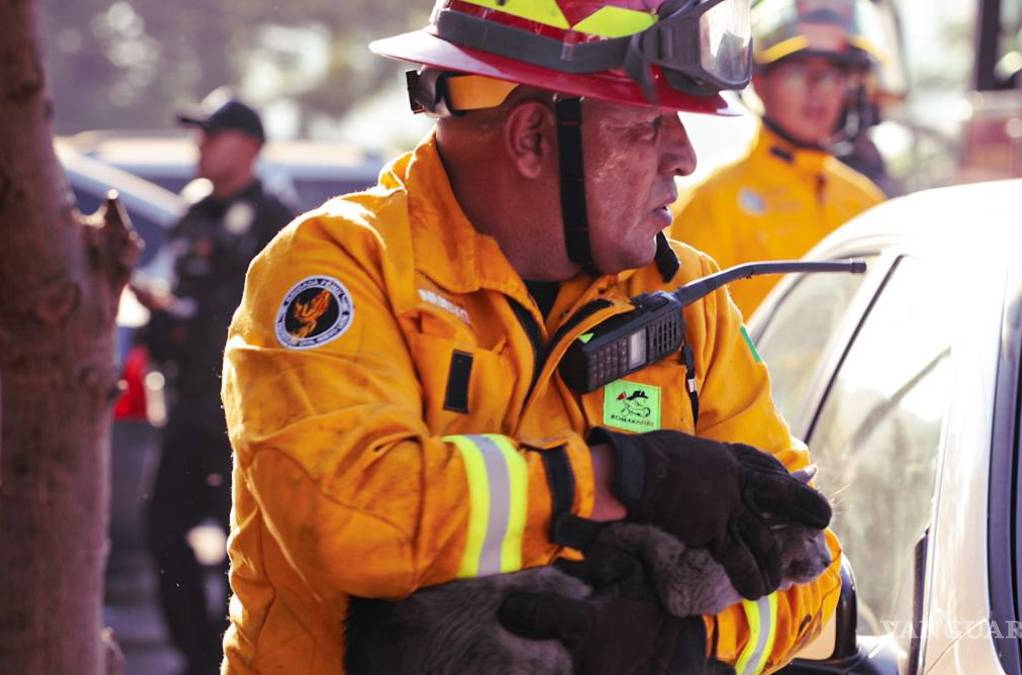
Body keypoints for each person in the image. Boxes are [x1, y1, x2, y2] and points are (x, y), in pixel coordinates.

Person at [220, 1, 842, 673]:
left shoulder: (690, 299)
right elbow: (353, 518)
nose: (685, 157)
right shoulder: (342, 268)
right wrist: (618, 477)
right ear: (533, 139)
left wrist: (680, 645)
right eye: (646, 124)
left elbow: (815, 574)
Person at [133, 95, 295, 675]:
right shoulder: (194, 211)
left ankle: (240, 658)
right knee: (162, 534)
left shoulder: (276, 219)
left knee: (243, 548)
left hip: (242, 418)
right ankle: (199, 658)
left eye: (211, 135)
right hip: (186, 409)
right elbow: (169, 289)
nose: (198, 146)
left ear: (248, 147)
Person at [669, 0, 887, 319]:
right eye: (799, 70)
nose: (818, 90)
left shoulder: (865, 202)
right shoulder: (711, 202)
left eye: (833, 73)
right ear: (758, 80)